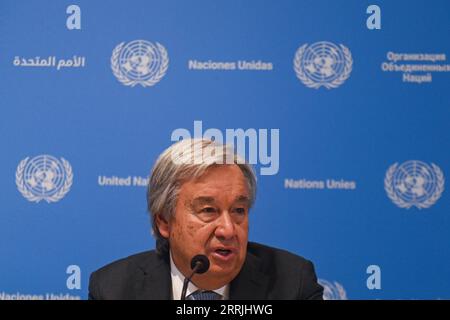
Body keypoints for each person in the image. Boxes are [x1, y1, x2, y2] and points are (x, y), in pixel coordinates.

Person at [88, 139, 323, 300]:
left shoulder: (293, 283)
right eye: (208, 210)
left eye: (239, 210)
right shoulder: (114, 289)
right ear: (164, 222)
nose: (228, 230)